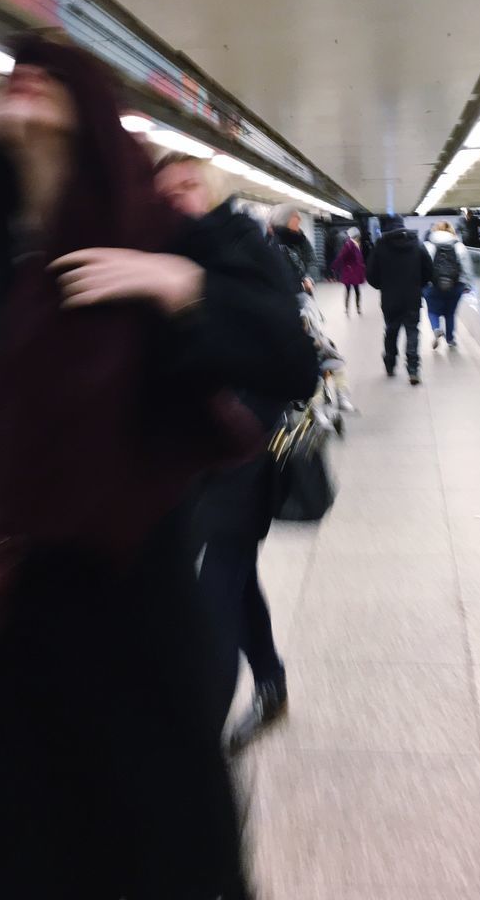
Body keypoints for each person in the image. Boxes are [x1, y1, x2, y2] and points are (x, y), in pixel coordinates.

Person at [0, 31, 319, 899]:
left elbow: (287, 354)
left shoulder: (167, 234)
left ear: (91, 111)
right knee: (3, 854)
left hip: (132, 609)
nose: (24, 76)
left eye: (50, 74)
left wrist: (177, 285)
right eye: (14, 73)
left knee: (149, 846)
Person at [154, 151, 317, 756]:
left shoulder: (247, 247)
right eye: (166, 189)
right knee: (234, 572)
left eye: (190, 182)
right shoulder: (158, 255)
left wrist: (197, 299)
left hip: (246, 440)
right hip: (185, 446)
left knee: (216, 579)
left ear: (215, 188)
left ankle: (196, 739)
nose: (179, 195)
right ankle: (270, 681)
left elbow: (293, 360)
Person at [366, 215, 434, 385]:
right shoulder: (417, 243)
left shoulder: (381, 246)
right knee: (412, 332)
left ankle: (390, 364)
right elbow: (429, 270)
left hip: (390, 298)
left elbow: (371, 275)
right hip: (412, 297)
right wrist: (418, 284)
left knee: (391, 330)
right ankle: (413, 370)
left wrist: (383, 285)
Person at [422, 221, 475, 349]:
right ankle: (450, 339)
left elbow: (422, 267)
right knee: (450, 313)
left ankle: (436, 329)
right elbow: (466, 267)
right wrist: (468, 285)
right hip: (455, 285)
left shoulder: (427, 245)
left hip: (432, 285)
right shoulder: (459, 246)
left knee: (433, 311)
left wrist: (422, 283)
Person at [268, 203, 316, 294]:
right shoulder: (273, 243)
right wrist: (301, 286)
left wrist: (309, 278)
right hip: (284, 299)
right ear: (284, 220)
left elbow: (311, 260)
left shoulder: (301, 238)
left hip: (302, 295)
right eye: (295, 216)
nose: (300, 219)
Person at [333, 227, 367, 313]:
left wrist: (362, 267)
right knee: (350, 290)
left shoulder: (355, 245)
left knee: (354, 290)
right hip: (350, 271)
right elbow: (341, 256)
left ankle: (356, 308)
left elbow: (359, 259)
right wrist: (334, 266)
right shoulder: (349, 245)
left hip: (354, 271)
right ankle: (348, 308)